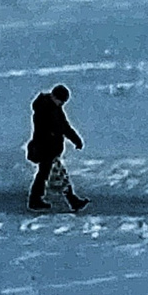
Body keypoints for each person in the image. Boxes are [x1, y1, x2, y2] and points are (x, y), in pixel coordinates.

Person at [26, 84, 88, 212]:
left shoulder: (54, 108)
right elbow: (47, 130)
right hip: (45, 149)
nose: (62, 104)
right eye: (61, 101)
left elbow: (64, 126)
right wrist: (55, 137)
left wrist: (75, 139)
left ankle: (38, 199)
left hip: (51, 149)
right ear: (55, 97)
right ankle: (69, 200)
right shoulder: (44, 109)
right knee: (51, 175)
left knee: (51, 174)